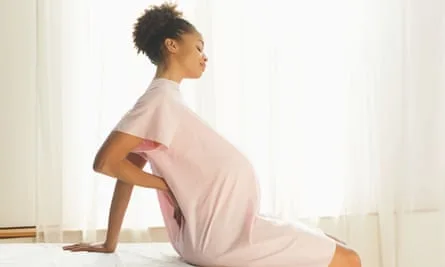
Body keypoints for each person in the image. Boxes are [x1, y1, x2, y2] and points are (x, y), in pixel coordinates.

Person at [63, 3, 361, 267]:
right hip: (221, 237)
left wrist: (110, 242)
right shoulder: (159, 100)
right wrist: (168, 185)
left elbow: (127, 171)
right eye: (198, 47)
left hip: (221, 229)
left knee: (336, 246)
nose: (205, 57)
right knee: (349, 260)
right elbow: (106, 162)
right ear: (172, 45)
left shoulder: (165, 100)